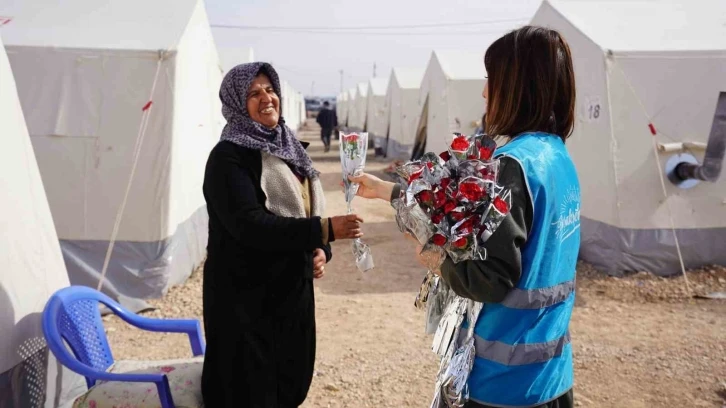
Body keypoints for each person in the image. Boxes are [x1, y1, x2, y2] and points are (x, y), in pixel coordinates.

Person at [350, 26, 579, 408]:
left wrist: (433, 257)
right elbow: (471, 218)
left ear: (516, 86)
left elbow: (490, 281)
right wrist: (390, 191)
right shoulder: (555, 157)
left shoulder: (512, 166)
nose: (485, 92)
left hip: (503, 384)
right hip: (551, 375)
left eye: (492, 79)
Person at [201, 62, 364, 407]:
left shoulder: (290, 149)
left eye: (270, 89)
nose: (266, 98)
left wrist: (320, 250)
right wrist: (324, 231)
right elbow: (249, 225)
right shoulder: (228, 158)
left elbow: (304, 210)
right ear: (234, 102)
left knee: (288, 382)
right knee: (248, 388)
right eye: (253, 93)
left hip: (290, 293)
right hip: (246, 300)